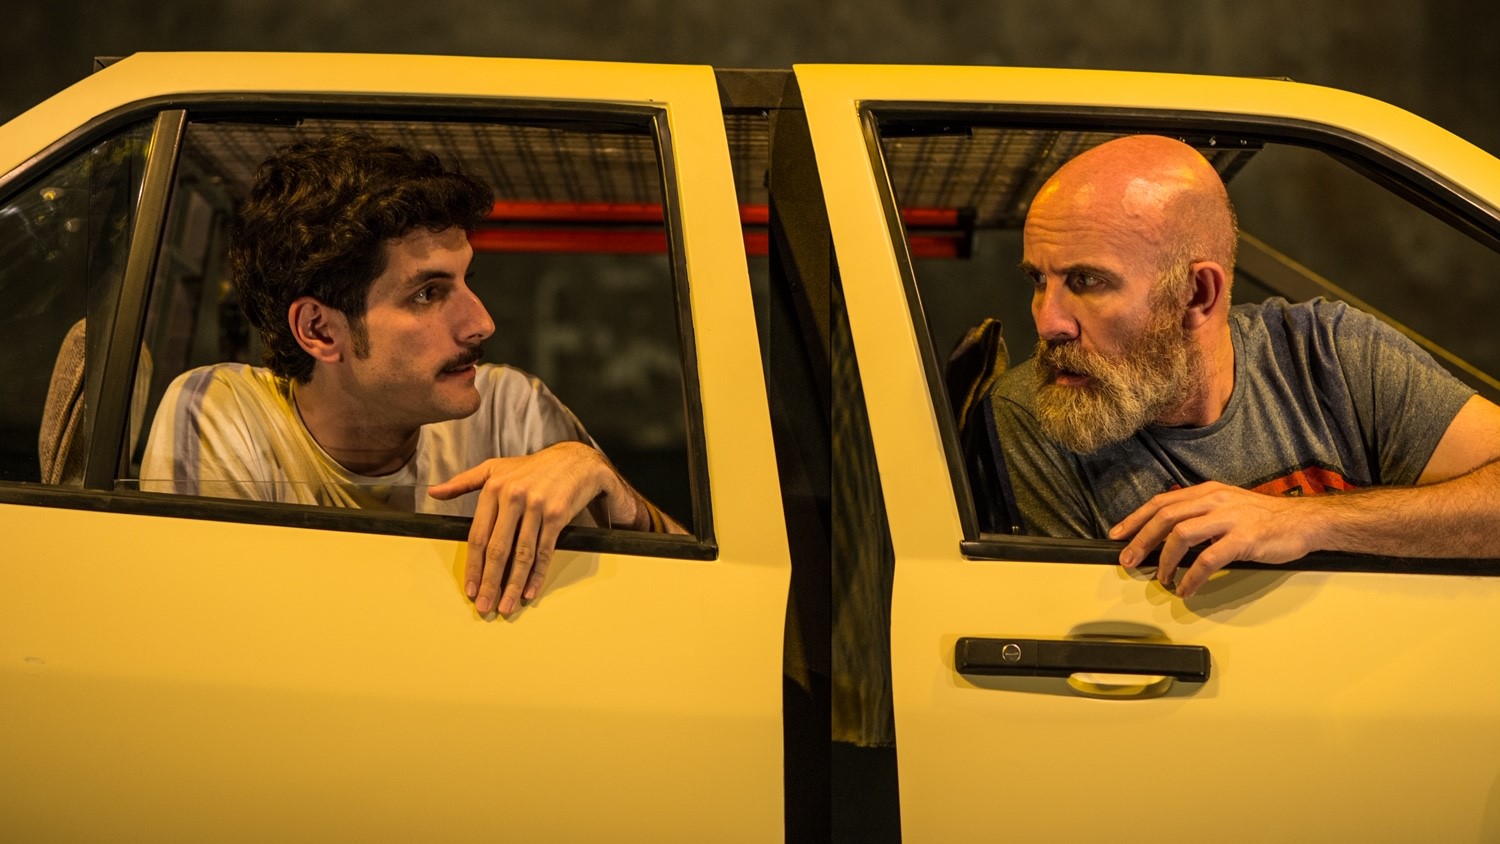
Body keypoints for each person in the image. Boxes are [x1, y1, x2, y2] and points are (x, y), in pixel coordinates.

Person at [142, 132, 682, 617]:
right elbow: (204, 636)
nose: (482, 322)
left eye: (467, 280)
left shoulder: (509, 409)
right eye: (428, 293)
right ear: (319, 330)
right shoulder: (224, 411)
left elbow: (690, 612)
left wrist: (614, 493)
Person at [987, 134, 1500, 598]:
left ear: (1197, 294)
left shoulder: (1329, 352)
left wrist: (1310, 521)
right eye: (1039, 280)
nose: (1048, 323)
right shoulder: (1035, 415)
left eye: (1086, 282)